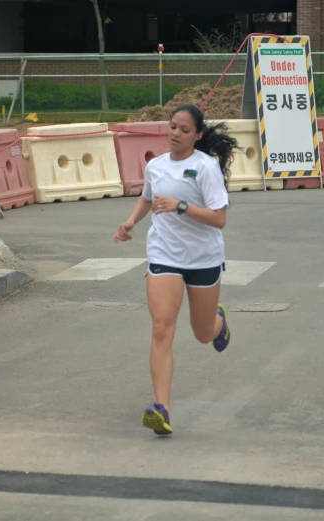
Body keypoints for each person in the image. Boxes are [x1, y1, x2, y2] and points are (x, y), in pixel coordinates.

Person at [113, 104, 238, 436]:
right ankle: (161, 408)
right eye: (172, 127)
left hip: (203, 258)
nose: (176, 134)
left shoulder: (206, 168)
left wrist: (181, 206)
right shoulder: (156, 165)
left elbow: (219, 219)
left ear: (197, 135)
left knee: (201, 333)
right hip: (164, 253)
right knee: (161, 328)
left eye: (184, 130)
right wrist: (130, 222)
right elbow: (147, 198)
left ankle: (218, 323)